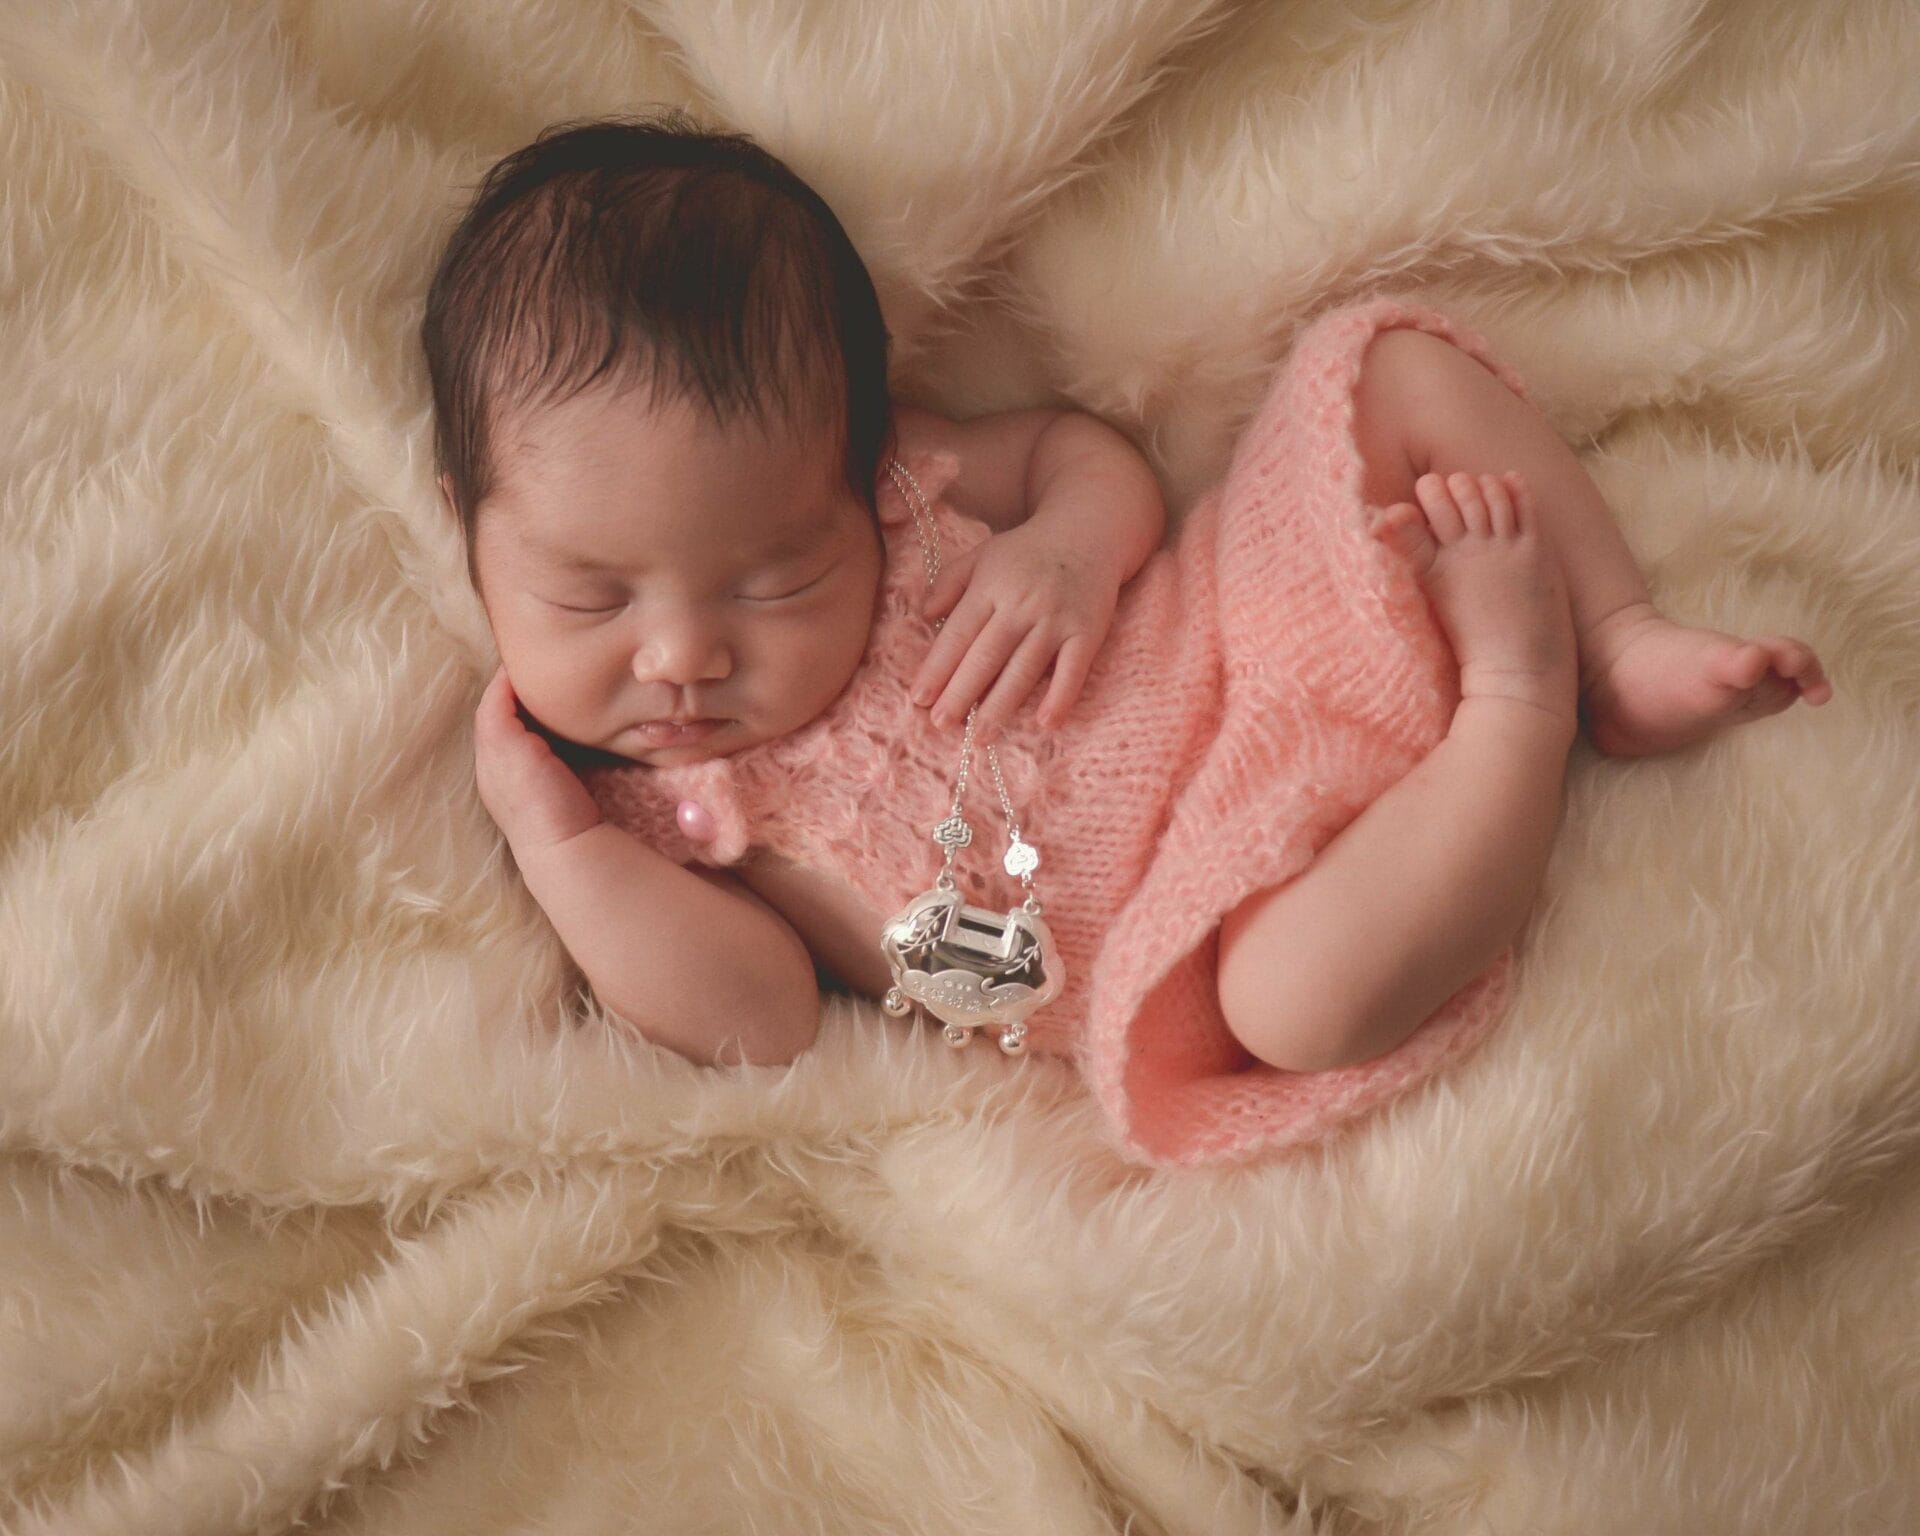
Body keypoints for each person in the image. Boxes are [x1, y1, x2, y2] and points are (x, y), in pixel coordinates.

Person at [422, 111, 1831, 1168]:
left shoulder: (905, 474)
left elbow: (1084, 454)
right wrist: (564, 851)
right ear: (468, 525)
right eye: (593, 600)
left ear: (852, 476)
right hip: (1188, 927)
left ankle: (1619, 634)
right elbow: (760, 1020)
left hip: (1239, 639)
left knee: (1378, 365)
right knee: (1298, 1002)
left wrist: (1068, 551)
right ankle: (1519, 707)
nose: (682, 654)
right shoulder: (645, 813)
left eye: (777, 578)